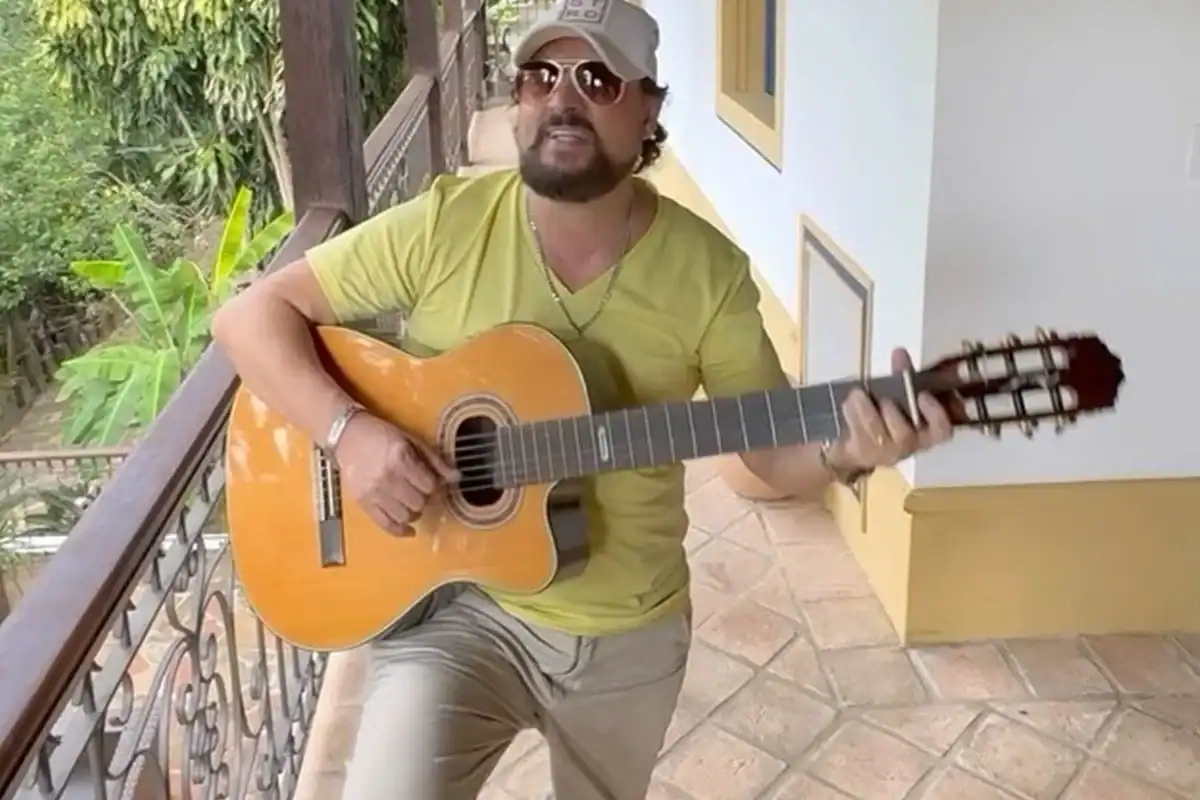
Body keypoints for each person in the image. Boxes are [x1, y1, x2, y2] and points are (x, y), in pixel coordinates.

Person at [212, 1, 954, 797]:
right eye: (541, 76)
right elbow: (247, 317)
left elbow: (769, 454)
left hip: (625, 632)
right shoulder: (446, 225)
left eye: (597, 79)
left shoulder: (707, 273)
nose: (562, 98)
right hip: (458, 609)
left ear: (648, 112)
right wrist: (350, 433)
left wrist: (849, 453)